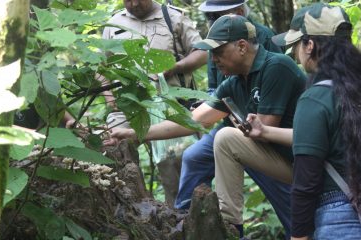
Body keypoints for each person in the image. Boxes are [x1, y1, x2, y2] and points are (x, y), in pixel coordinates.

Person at [104, 15, 306, 238]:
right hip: (282, 161)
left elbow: (264, 130)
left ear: (241, 46)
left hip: (305, 162)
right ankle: (222, 225)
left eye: (218, 51)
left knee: (226, 138)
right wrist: (133, 134)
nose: (213, 59)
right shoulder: (235, 82)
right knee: (210, 147)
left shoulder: (276, 66)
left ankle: (230, 225)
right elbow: (193, 121)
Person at [233, 3, 361, 239]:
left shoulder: (316, 98)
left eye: (295, 46)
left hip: (340, 219)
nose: (294, 54)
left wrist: (299, 236)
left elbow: (306, 181)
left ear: (310, 45)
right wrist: (265, 132)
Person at [177, 0, 292, 236]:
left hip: (266, 135)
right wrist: (136, 132)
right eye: (210, 17)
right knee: (194, 157)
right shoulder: (219, 51)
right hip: (231, 124)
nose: (213, 22)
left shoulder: (267, 47)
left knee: (279, 187)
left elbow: (268, 115)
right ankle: (186, 222)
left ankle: (299, 229)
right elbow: (209, 99)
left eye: (219, 15)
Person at [101, 0, 207, 206]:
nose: (134, 4)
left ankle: (182, 216)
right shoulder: (113, 24)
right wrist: (110, 99)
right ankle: (129, 210)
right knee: (111, 145)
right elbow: (102, 67)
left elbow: (202, 53)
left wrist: (175, 67)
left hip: (170, 104)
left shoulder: (173, 17)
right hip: (129, 106)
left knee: (176, 165)